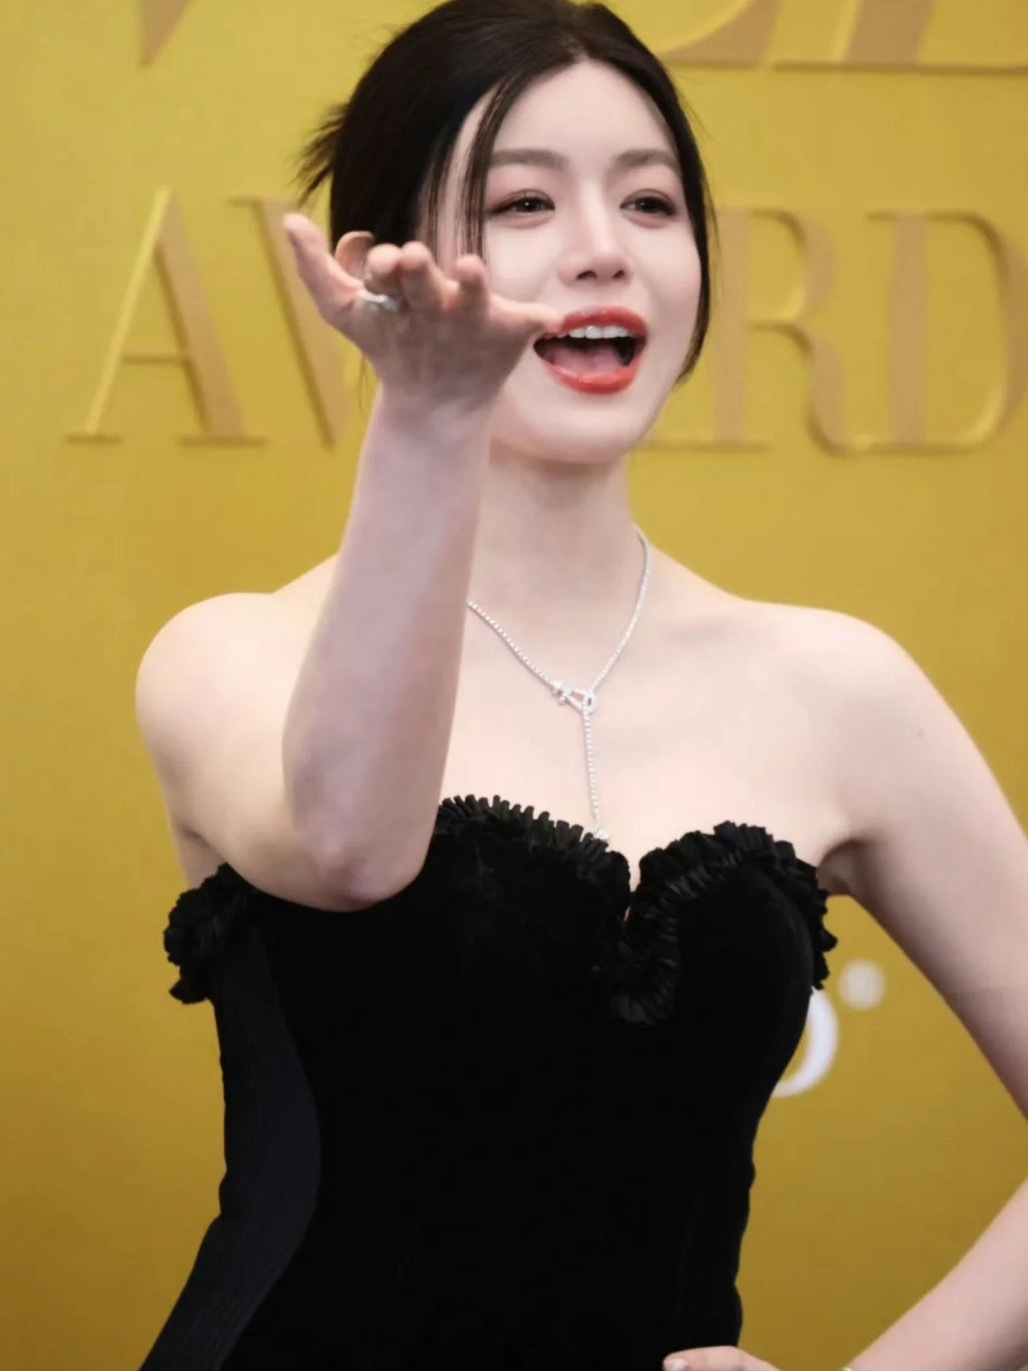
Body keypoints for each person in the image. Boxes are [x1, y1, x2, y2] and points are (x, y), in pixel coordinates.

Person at [133, 1, 1028, 1368]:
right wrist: (428, 416)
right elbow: (351, 849)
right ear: (378, 273)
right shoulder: (230, 656)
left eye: (652, 201)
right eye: (524, 202)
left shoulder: (840, 689)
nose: (604, 247)